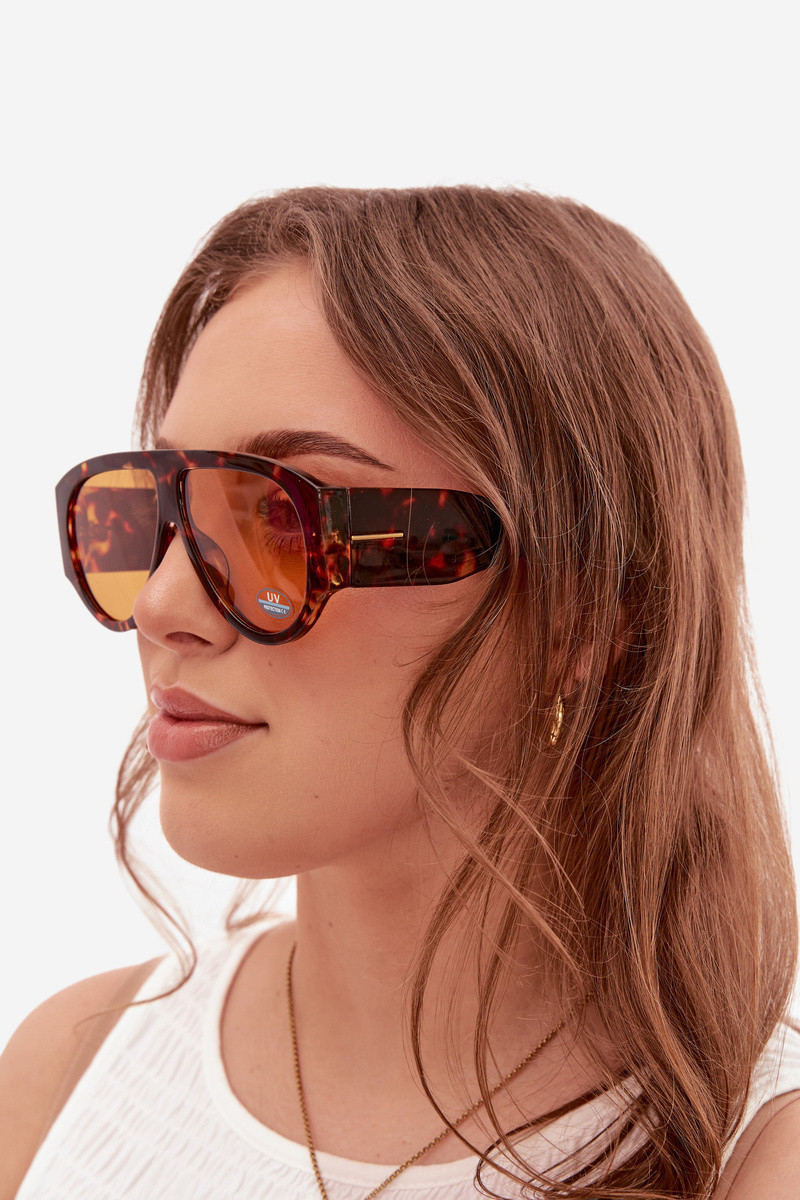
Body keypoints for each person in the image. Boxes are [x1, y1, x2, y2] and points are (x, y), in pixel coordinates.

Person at [1, 186, 798, 1200]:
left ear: (580, 622)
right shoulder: (66, 1082)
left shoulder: (756, 1162)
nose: (161, 605)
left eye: (273, 520)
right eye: (159, 507)